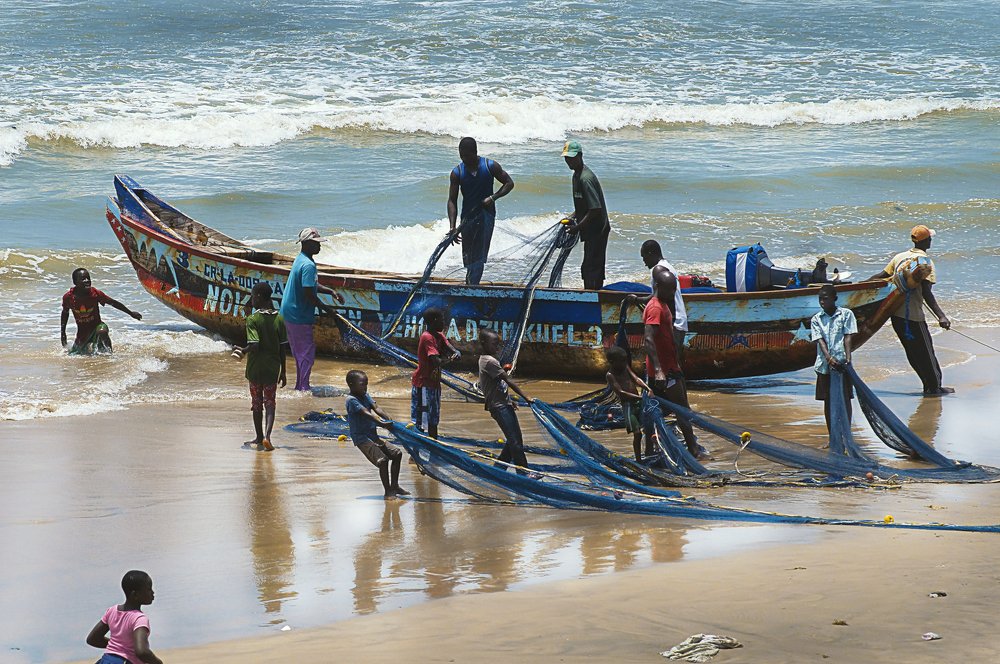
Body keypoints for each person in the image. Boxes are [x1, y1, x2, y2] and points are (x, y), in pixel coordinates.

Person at [868, 225, 954, 396]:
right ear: (927, 241)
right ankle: (934, 388)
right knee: (926, 353)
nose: (931, 240)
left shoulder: (899, 257)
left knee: (913, 353)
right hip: (913, 316)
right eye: (930, 238)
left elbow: (879, 277)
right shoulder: (926, 262)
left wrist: (856, 287)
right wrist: (941, 316)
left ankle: (928, 386)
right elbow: (927, 293)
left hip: (896, 315)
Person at [644, 270, 706, 459]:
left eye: (674, 290)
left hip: (668, 367)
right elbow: (648, 339)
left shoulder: (658, 302)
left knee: (658, 411)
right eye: (670, 290)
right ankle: (693, 449)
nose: (673, 294)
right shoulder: (655, 308)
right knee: (682, 410)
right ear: (658, 287)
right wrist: (659, 371)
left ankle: (649, 449)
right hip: (666, 371)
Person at [279, 228, 343, 391]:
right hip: (298, 314)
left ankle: (301, 385)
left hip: (289, 312)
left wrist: (330, 291)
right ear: (306, 244)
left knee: (300, 352)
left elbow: (311, 285)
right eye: (316, 244)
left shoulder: (301, 259)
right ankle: (303, 387)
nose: (319, 247)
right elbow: (309, 294)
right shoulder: (308, 265)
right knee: (306, 352)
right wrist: (329, 311)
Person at [447, 137, 515, 285]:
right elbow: (452, 200)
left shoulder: (490, 166)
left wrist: (493, 197)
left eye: (467, 156)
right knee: (468, 256)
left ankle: (472, 287)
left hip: (486, 216)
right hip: (467, 218)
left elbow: (509, 183)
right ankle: (470, 284)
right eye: (461, 156)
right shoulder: (457, 172)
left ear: (475, 152)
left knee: (479, 256)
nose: (464, 159)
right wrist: (452, 227)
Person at [233, 282, 288, 452]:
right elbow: (283, 348)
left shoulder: (253, 319)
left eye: (252, 295)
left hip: (256, 369)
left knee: (257, 403)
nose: (251, 299)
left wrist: (242, 350)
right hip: (273, 368)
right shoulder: (279, 318)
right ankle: (267, 436)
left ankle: (258, 437)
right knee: (270, 402)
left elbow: (254, 344)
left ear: (258, 296)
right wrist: (284, 371)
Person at [478, 328, 535, 474]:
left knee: (512, 440)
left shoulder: (487, 360)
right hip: (499, 407)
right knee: (516, 442)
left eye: (498, 344)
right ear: (483, 343)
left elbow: (498, 385)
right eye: (494, 344)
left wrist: (509, 400)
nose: (497, 347)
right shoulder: (489, 361)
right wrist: (525, 397)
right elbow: (508, 380)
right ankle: (524, 473)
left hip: (502, 404)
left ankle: (498, 471)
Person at [345, 369, 410, 499]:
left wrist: (390, 420)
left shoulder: (365, 395)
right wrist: (382, 424)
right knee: (383, 460)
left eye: (366, 384)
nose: (365, 387)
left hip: (373, 436)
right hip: (362, 438)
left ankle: (395, 486)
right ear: (351, 384)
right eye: (362, 384)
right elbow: (366, 413)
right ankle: (388, 492)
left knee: (397, 454)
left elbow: (377, 408)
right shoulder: (351, 400)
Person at [626, 240, 689, 364]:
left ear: (650, 253)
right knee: (673, 364)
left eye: (644, 257)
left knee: (668, 364)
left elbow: (662, 297)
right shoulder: (667, 266)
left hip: (673, 323)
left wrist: (637, 300)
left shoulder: (658, 269)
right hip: (678, 321)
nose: (644, 263)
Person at [561, 140, 611, 290]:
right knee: (589, 266)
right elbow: (583, 206)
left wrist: (577, 227)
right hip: (590, 228)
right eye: (566, 158)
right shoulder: (576, 175)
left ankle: (593, 296)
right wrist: (572, 217)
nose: (568, 161)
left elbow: (595, 209)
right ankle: (592, 293)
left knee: (592, 267)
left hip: (598, 229)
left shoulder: (585, 178)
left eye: (571, 157)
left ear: (580, 156)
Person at [86, 570, 164, 664]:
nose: (152, 592)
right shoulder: (139, 619)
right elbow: (142, 652)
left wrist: (117, 646)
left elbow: (93, 639)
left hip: (106, 661)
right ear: (135, 594)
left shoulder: (112, 611)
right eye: (148, 589)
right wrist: (158, 662)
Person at [61, 268, 142, 354]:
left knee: (102, 331)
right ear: (75, 282)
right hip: (82, 332)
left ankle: (110, 355)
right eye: (83, 279)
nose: (87, 280)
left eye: (88, 278)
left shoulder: (95, 293)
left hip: (97, 326)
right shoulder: (68, 297)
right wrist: (63, 333)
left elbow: (113, 303)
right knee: (74, 355)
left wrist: (130, 313)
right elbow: (65, 313)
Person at [811, 284, 857, 434]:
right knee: (828, 401)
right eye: (820, 299)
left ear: (834, 299)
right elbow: (820, 340)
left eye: (825, 298)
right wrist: (828, 358)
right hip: (824, 366)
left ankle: (846, 434)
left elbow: (848, 336)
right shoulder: (816, 319)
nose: (822, 302)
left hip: (842, 364)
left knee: (845, 400)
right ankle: (833, 436)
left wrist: (848, 357)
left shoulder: (846, 314)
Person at [411, 308, 460, 439]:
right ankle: (416, 452)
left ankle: (434, 444)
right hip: (423, 384)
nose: (444, 322)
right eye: (442, 320)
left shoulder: (439, 335)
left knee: (433, 417)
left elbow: (450, 347)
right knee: (422, 419)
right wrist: (451, 359)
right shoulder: (427, 337)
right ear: (434, 321)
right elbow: (436, 361)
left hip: (434, 383)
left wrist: (456, 352)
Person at [605, 345, 652, 460]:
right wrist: (639, 398)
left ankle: (649, 452)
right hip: (628, 406)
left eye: (625, 360)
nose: (625, 362)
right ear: (612, 362)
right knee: (637, 433)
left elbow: (636, 379)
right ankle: (638, 460)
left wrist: (647, 388)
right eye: (621, 361)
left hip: (638, 402)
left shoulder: (625, 367)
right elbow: (620, 392)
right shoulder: (610, 375)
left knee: (649, 428)